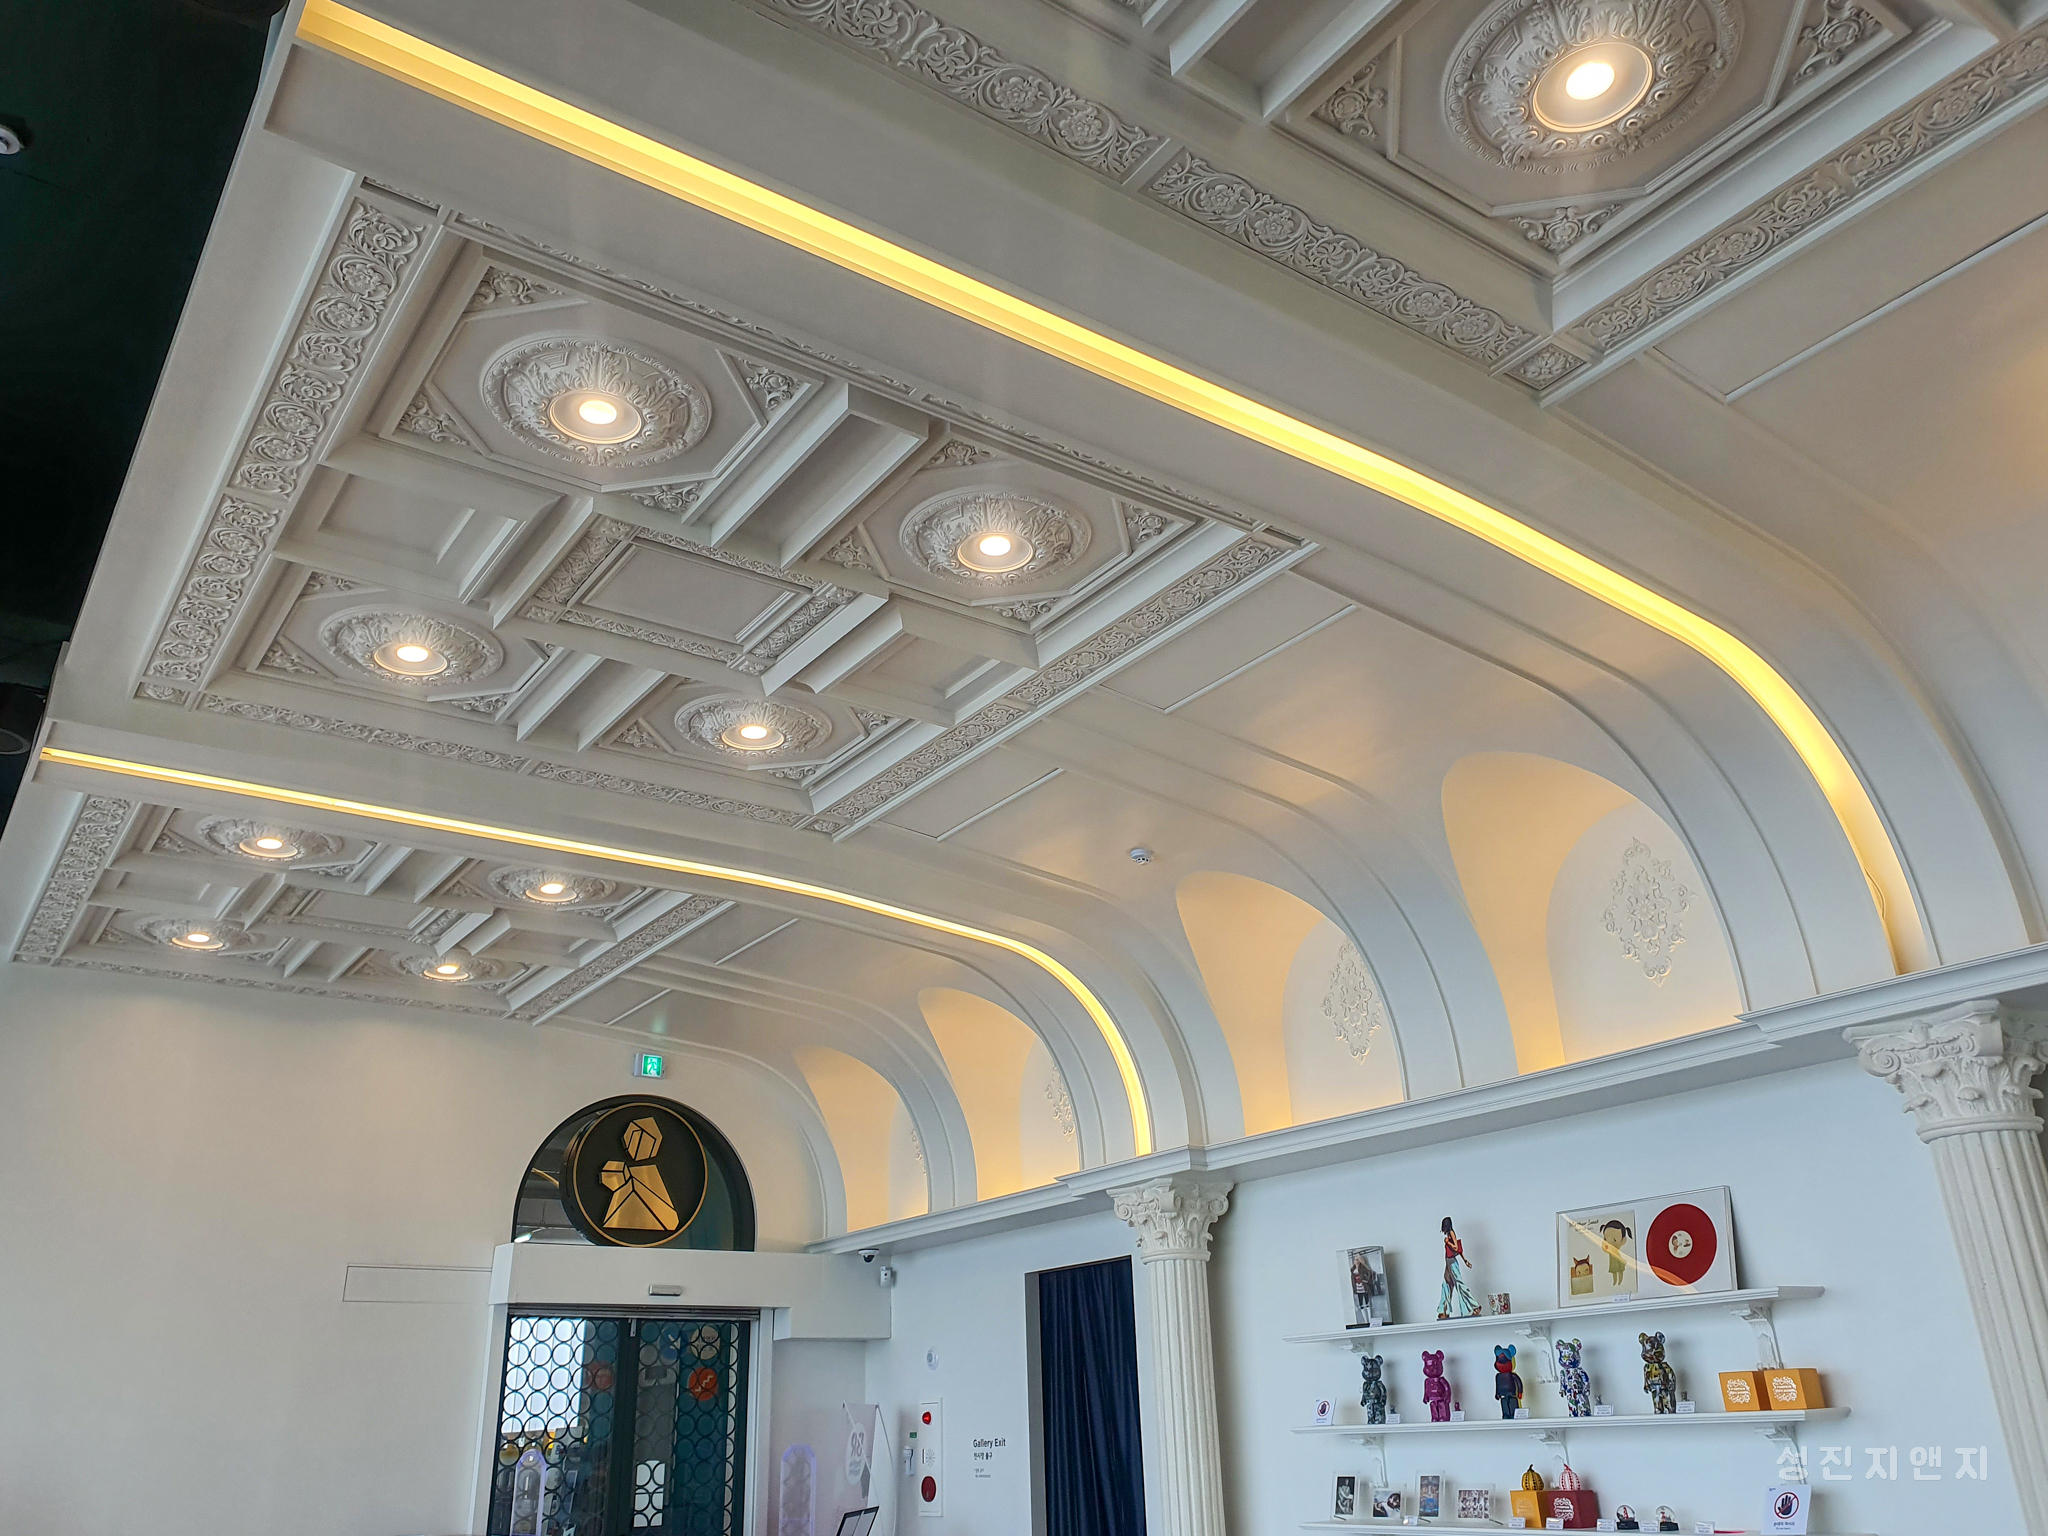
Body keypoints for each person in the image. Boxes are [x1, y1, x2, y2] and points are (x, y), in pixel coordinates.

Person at [1437, 1216, 1479, 1320]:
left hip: (1452, 1263)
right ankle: (1444, 1310)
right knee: (1446, 1285)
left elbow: (1456, 1248)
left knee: (1459, 1284)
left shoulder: (1451, 1233)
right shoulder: (1449, 1234)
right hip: (1448, 1263)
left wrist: (1447, 1242)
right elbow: (1459, 1250)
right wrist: (1465, 1261)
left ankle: (1474, 1306)